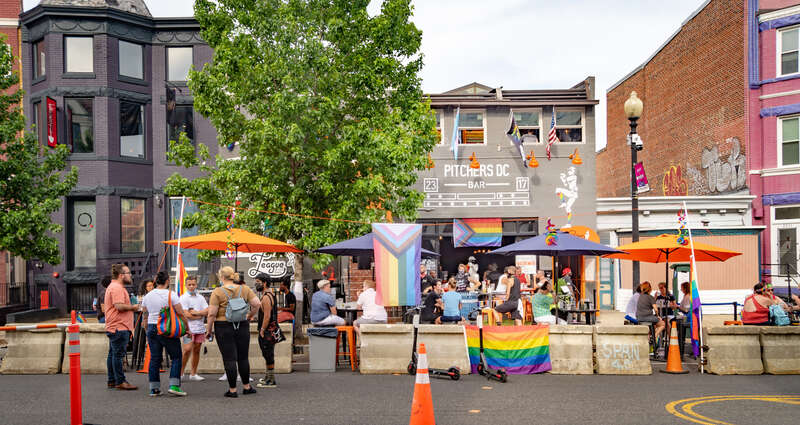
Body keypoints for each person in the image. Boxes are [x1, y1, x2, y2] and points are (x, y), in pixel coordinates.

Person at [206, 267, 261, 397]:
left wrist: (209, 330)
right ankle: (247, 387)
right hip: (242, 325)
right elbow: (257, 304)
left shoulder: (217, 292)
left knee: (229, 358)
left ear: (221, 277)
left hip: (223, 326)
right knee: (243, 357)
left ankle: (232, 390)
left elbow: (212, 314)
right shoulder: (245, 289)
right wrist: (249, 315)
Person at [140, 271, 189, 396]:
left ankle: (154, 388)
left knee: (155, 358)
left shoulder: (148, 296)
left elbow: (145, 314)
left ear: (156, 281)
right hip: (166, 327)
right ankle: (174, 385)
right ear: (167, 281)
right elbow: (180, 313)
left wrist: (146, 328)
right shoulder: (171, 295)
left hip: (151, 326)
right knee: (176, 356)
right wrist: (187, 327)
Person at [104, 264, 140, 391]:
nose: (130, 275)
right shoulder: (117, 288)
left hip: (115, 326)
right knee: (118, 355)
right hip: (119, 326)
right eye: (128, 273)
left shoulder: (113, 286)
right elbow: (119, 306)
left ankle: (112, 380)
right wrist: (134, 307)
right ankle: (120, 381)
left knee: (113, 354)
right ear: (121, 275)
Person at [179, 275, 208, 382]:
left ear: (196, 285)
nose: (191, 286)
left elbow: (207, 310)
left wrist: (196, 313)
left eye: (193, 284)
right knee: (186, 350)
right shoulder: (183, 298)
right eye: (189, 285)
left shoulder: (200, 297)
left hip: (200, 328)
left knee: (197, 350)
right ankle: (180, 373)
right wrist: (200, 315)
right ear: (186, 285)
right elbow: (186, 314)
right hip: (188, 329)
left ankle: (193, 373)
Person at [257, 284, 279, 388]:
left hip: (267, 331)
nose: (256, 284)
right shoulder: (271, 295)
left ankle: (271, 380)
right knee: (267, 354)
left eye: (258, 281)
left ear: (264, 283)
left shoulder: (266, 297)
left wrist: (262, 329)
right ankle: (268, 377)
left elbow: (267, 316)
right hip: (271, 330)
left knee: (268, 354)